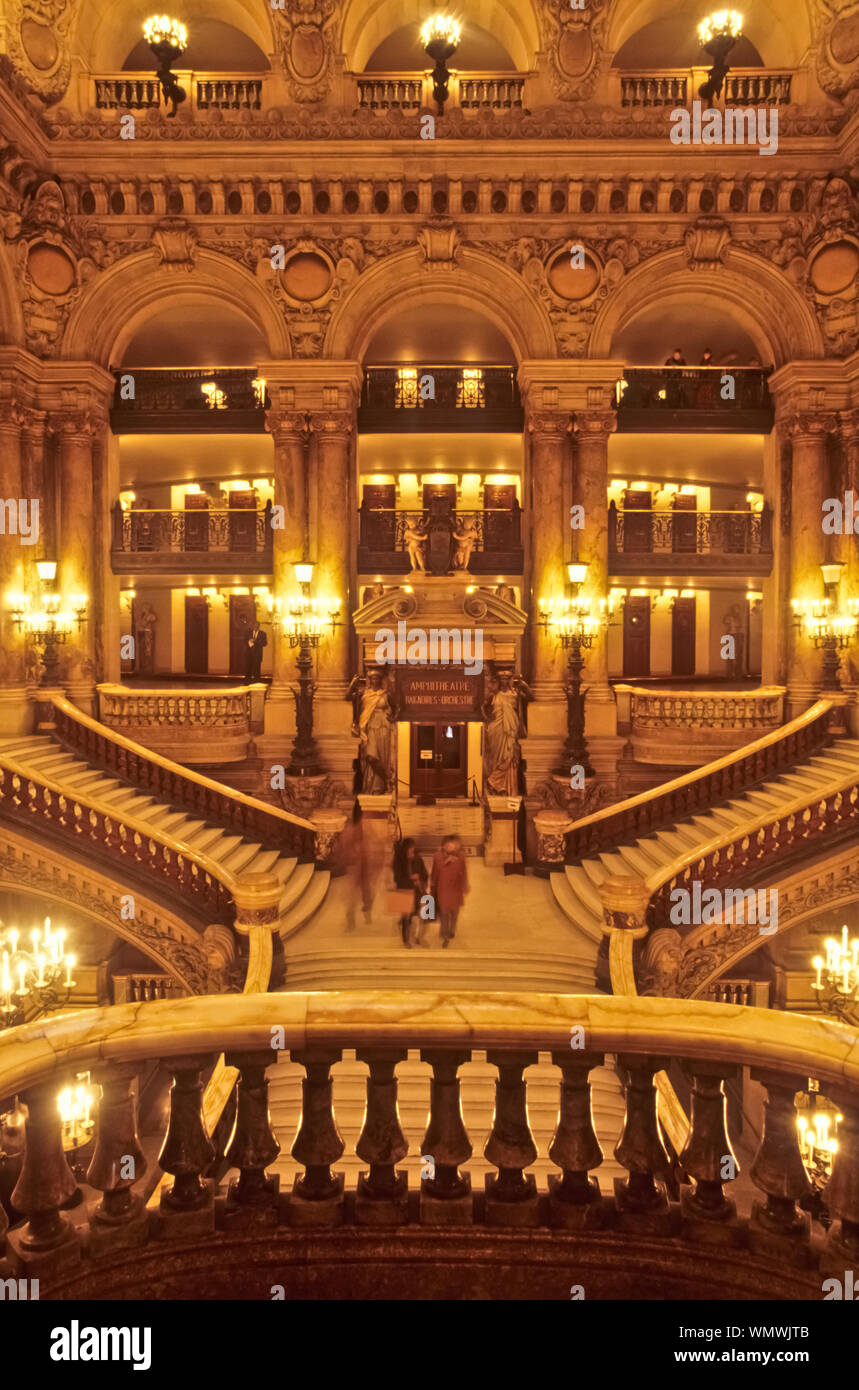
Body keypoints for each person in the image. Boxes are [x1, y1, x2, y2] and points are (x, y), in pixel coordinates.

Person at [431, 835, 469, 948]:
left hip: (455, 889)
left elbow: (464, 871)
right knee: (444, 914)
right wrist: (432, 885)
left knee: (455, 912)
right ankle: (445, 936)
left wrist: (464, 885)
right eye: (448, 845)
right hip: (443, 890)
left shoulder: (461, 857)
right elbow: (434, 873)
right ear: (444, 846)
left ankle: (452, 930)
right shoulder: (438, 857)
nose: (452, 847)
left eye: (454, 845)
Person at [392, 837, 429, 948]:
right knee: (406, 917)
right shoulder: (399, 861)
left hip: (418, 891)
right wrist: (411, 878)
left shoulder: (418, 859)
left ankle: (419, 938)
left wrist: (421, 880)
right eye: (409, 850)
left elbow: (425, 874)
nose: (411, 852)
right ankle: (406, 940)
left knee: (424, 915)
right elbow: (396, 878)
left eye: (412, 849)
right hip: (403, 891)